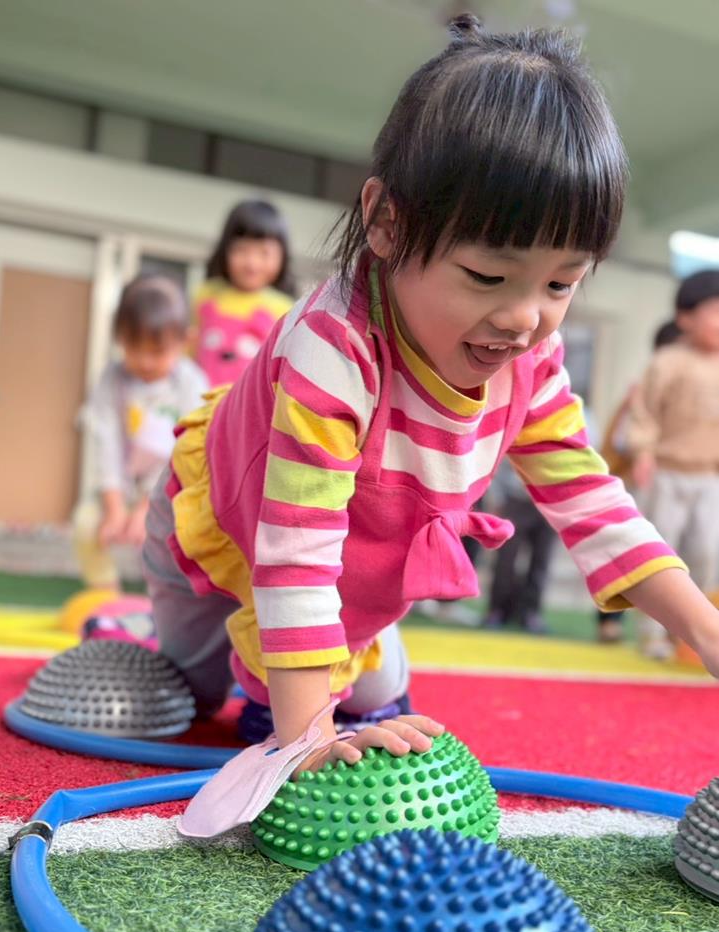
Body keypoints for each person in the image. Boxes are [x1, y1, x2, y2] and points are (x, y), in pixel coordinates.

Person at [143, 15, 719, 787]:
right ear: (386, 223)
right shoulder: (333, 349)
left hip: (350, 560)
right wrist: (304, 738)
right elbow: (294, 550)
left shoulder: (528, 359)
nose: (524, 319)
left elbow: (590, 499)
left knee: (368, 699)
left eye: (560, 283)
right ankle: (156, 640)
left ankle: (322, 676)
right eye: (487, 277)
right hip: (225, 520)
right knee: (192, 695)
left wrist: (702, 628)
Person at [74, 275, 206, 589]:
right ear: (120, 338)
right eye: (134, 349)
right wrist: (114, 506)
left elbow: (184, 450)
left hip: (171, 490)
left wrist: (149, 506)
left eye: (157, 351)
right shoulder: (113, 379)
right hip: (119, 487)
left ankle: (165, 600)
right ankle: (105, 592)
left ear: (185, 341)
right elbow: (104, 441)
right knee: (85, 525)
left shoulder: (190, 383)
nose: (145, 362)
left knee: (176, 541)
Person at [627, 271, 719, 659]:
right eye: (714, 312)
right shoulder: (668, 361)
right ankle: (653, 634)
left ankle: (694, 634)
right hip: (666, 472)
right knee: (660, 553)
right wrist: (643, 452)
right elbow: (644, 411)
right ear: (685, 318)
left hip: (708, 476)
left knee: (706, 552)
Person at [596, 319, 680, 643]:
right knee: (629, 551)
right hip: (636, 482)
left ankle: (673, 632)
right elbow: (619, 440)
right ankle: (611, 621)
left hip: (677, 480)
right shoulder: (643, 391)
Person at [193, 199, 296, 386]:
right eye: (242, 250)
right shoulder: (206, 294)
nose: (252, 263)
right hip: (201, 399)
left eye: (264, 253)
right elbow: (188, 347)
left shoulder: (286, 311)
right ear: (225, 250)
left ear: (282, 257)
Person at [482, 459, 556, 634]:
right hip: (515, 499)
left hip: (549, 502)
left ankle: (530, 612)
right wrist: (498, 499)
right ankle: (497, 610)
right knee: (505, 560)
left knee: (541, 561)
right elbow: (497, 466)